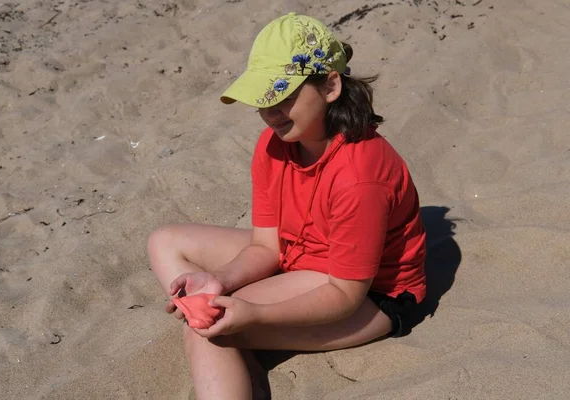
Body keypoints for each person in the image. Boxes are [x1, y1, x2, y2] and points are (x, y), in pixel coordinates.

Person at [148, 12, 426, 400]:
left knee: (205, 329)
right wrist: (222, 281)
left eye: (283, 96)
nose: (271, 112)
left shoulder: (360, 177)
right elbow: (266, 247)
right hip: (301, 254)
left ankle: (239, 351)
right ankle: (242, 356)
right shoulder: (273, 145)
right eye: (263, 100)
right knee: (165, 240)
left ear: (330, 86)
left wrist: (254, 314)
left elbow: (344, 296)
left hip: (367, 294)